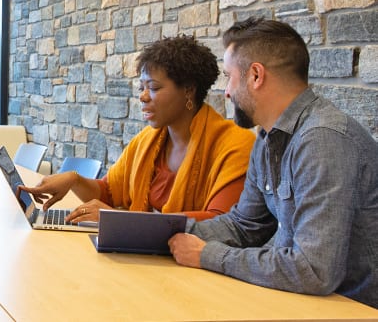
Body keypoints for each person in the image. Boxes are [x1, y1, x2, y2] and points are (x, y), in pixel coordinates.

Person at [168, 17, 378, 308]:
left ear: (256, 75)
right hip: (301, 303)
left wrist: (208, 255)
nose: (226, 92)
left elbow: (314, 271)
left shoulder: (322, 139)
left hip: (351, 310)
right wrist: (156, 232)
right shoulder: (267, 138)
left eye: (229, 76)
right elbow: (245, 225)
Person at [21, 35, 255, 222]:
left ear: (188, 90)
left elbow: (220, 223)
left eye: (153, 87)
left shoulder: (234, 145)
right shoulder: (148, 140)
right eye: (142, 87)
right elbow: (110, 193)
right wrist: (73, 180)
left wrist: (123, 221)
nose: (143, 97)